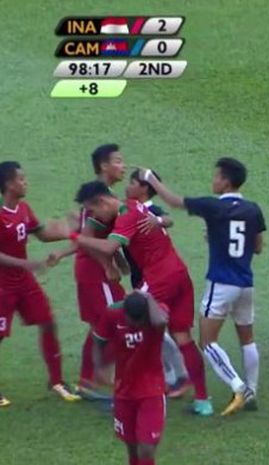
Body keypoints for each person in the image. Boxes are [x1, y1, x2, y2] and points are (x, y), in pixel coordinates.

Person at [70, 181, 213, 415]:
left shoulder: (126, 216)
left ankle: (128, 397)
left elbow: (108, 247)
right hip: (179, 273)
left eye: (94, 210)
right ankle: (203, 401)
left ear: (103, 202)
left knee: (125, 323)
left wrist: (73, 235)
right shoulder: (134, 205)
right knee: (183, 337)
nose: (95, 216)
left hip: (159, 278)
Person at [140, 157, 265, 414]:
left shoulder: (212, 206)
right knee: (247, 338)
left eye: (217, 176)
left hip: (221, 283)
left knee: (207, 342)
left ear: (226, 181)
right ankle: (252, 389)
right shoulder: (253, 209)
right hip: (246, 283)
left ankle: (239, 386)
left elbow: (174, 202)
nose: (213, 180)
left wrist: (150, 178)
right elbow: (258, 247)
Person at [0, 161, 80, 406]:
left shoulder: (23, 208)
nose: (26, 183)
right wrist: (26, 264)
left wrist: (71, 231)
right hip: (2, 286)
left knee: (48, 322)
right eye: (21, 179)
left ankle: (56, 380)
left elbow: (42, 234)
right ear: (9, 184)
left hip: (24, 282)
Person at [51, 144, 128, 398]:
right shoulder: (99, 197)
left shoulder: (97, 194)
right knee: (117, 319)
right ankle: (108, 377)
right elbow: (88, 237)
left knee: (100, 323)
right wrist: (108, 265)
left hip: (90, 268)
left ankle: (88, 380)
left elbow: (84, 236)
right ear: (103, 166)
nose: (123, 165)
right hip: (96, 271)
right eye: (117, 161)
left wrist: (61, 253)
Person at [123, 169, 189, 398]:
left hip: (154, 277)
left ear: (144, 188)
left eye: (132, 182)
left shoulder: (150, 209)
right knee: (153, 325)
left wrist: (157, 220)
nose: (127, 185)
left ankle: (176, 376)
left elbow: (168, 219)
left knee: (153, 325)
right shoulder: (129, 210)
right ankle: (171, 375)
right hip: (141, 276)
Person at [94, 291, 168, 465]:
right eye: (132, 320)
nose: (135, 324)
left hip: (152, 390)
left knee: (147, 448)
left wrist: (148, 297)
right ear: (125, 313)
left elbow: (162, 322)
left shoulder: (156, 314)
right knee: (132, 447)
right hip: (124, 391)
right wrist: (99, 367)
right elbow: (99, 340)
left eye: (139, 321)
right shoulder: (112, 314)